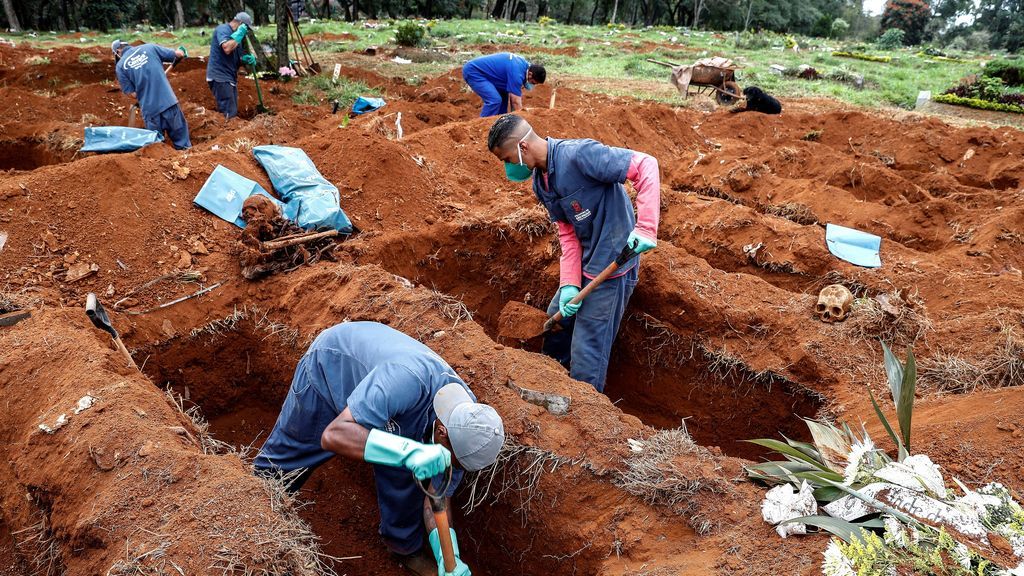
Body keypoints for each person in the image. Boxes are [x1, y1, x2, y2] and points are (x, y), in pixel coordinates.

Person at [254, 321, 504, 576]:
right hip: (331, 370)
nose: (454, 468)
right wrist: (409, 451)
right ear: (442, 432)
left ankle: (403, 547)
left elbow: (437, 498)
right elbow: (334, 435)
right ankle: (252, 517)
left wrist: (449, 557)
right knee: (284, 464)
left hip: (394, 409)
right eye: (454, 463)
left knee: (405, 472)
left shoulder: (469, 425)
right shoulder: (406, 381)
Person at [486, 113, 660, 393]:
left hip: (613, 266)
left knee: (587, 350)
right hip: (585, 262)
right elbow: (567, 234)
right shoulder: (541, 183)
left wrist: (646, 227)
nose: (508, 168)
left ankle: (584, 407)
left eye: (506, 159)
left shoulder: (580, 155)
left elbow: (645, 165)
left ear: (523, 147)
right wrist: (568, 284)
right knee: (556, 320)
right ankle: (549, 382)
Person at [112, 40, 191, 150]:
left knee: (157, 149)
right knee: (183, 145)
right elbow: (178, 54)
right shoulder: (150, 48)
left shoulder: (120, 67)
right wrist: (182, 51)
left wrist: (143, 90)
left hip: (150, 111)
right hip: (169, 103)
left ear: (118, 51)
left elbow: (132, 94)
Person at [206, 12, 258, 120]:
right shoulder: (223, 29)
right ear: (241, 24)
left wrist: (245, 59)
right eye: (246, 28)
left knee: (232, 110)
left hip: (229, 77)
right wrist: (239, 34)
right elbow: (227, 48)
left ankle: (230, 133)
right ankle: (228, 134)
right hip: (220, 77)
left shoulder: (237, 39)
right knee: (229, 112)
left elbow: (237, 57)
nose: (246, 32)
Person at [462, 52, 546, 117]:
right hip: (474, 71)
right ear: (530, 74)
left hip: (491, 75)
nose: (532, 85)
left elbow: (514, 104)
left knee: (503, 98)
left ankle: (499, 125)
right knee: (494, 100)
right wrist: (521, 120)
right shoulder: (517, 74)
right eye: (533, 82)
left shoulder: (525, 66)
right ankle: (482, 126)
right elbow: (515, 102)